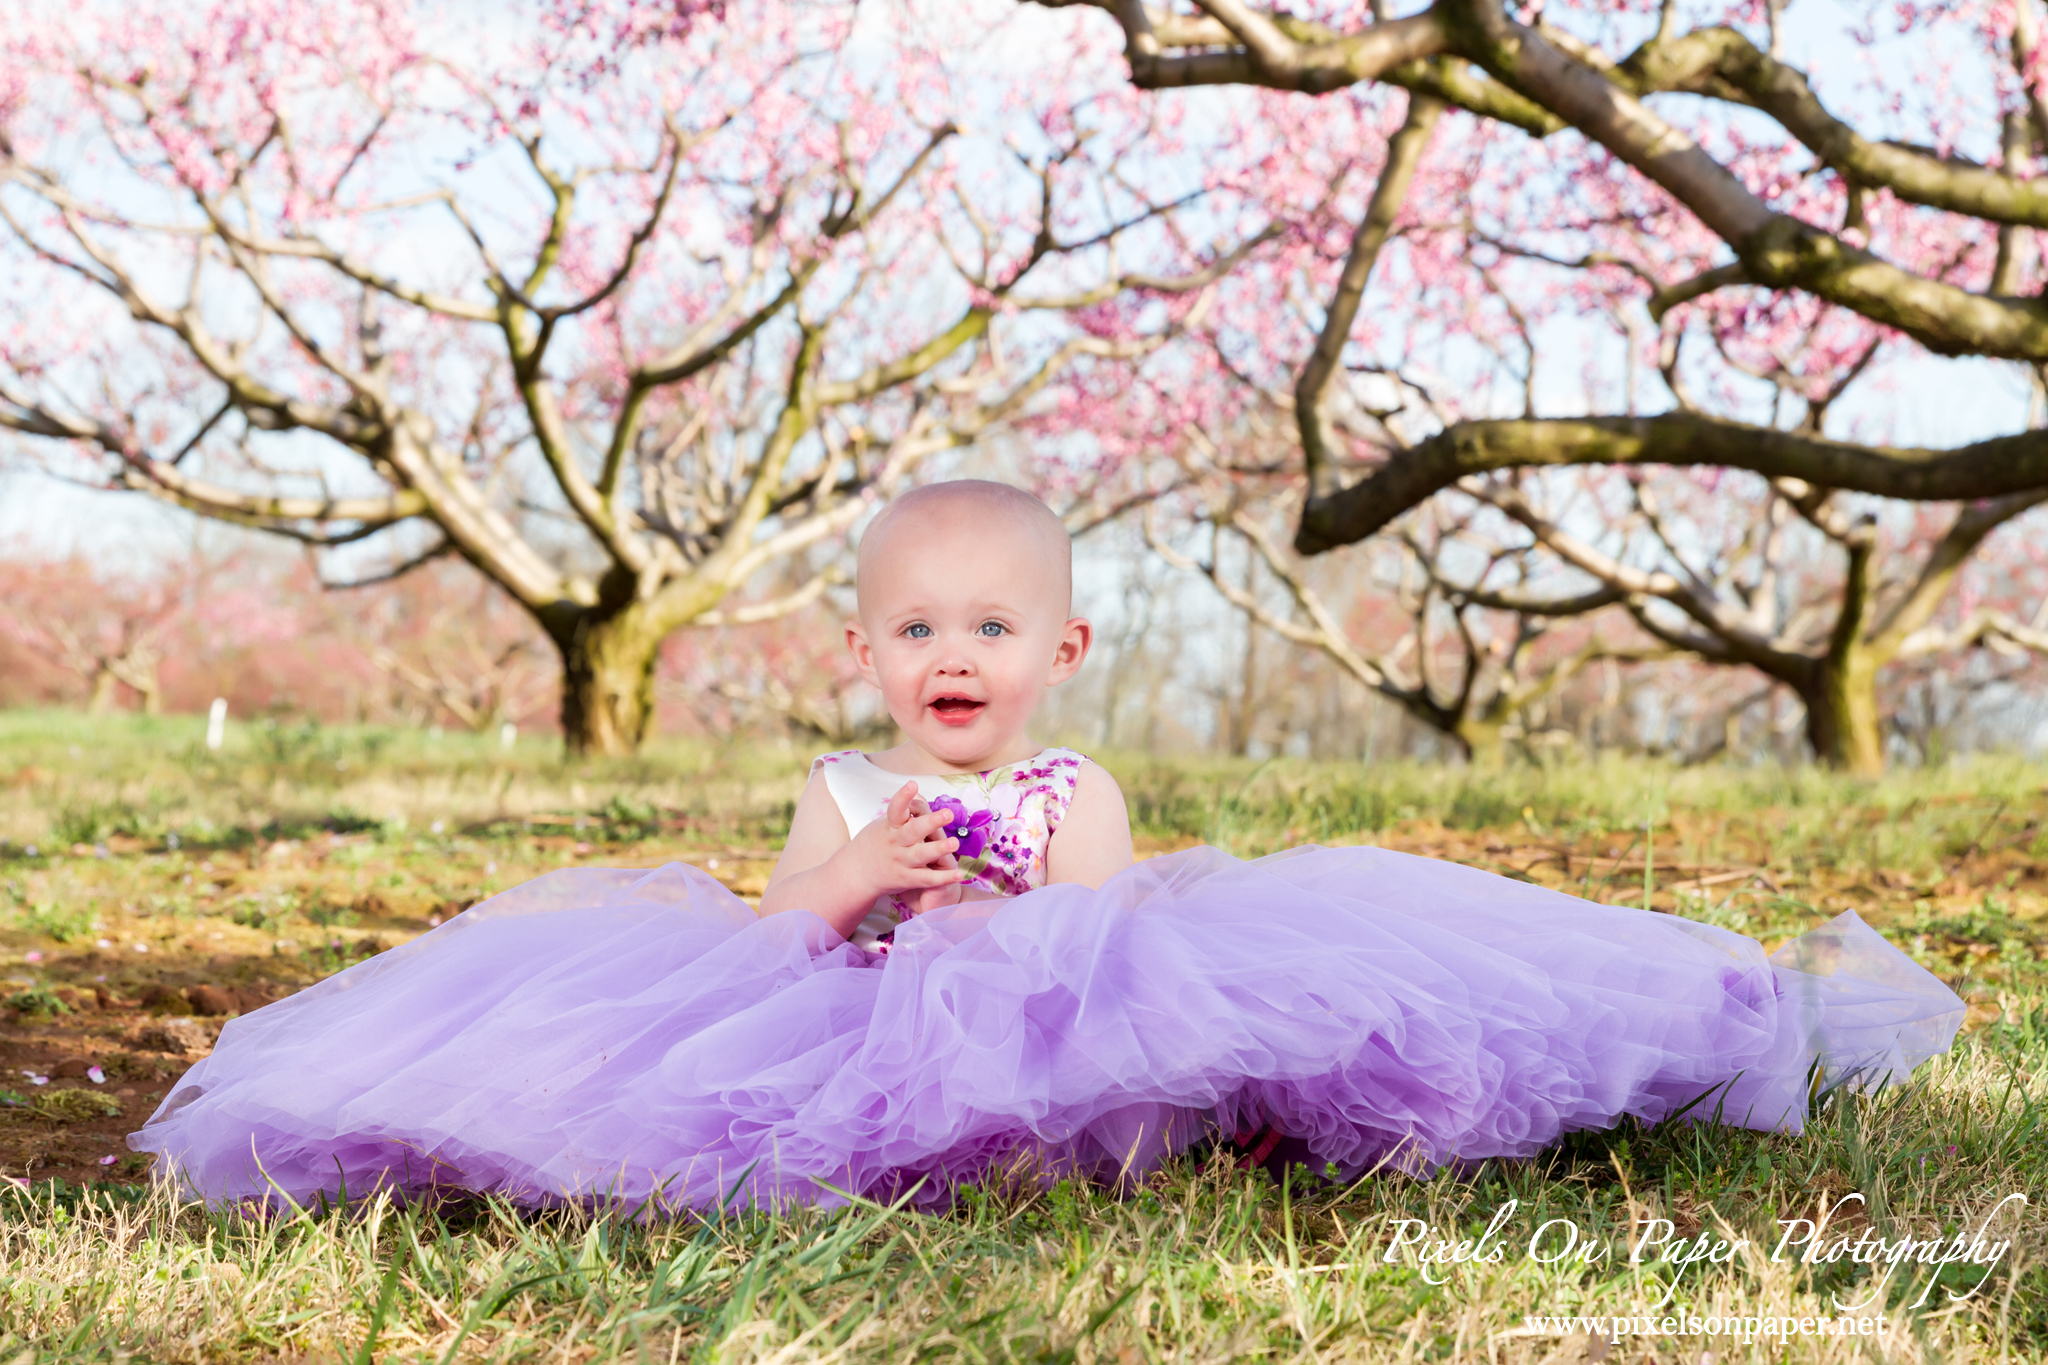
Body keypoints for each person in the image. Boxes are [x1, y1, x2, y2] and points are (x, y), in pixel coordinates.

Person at [130, 480, 1965, 1213]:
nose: (952, 659)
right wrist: (850, 891)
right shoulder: (847, 791)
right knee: (707, 1089)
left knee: (1190, 1040)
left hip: (1040, 1025)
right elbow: (774, 935)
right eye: (916, 630)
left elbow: (1120, 964)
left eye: (992, 631)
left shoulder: (1070, 786)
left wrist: (1017, 889)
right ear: (860, 655)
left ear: (1060, 656)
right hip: (855, 1023)